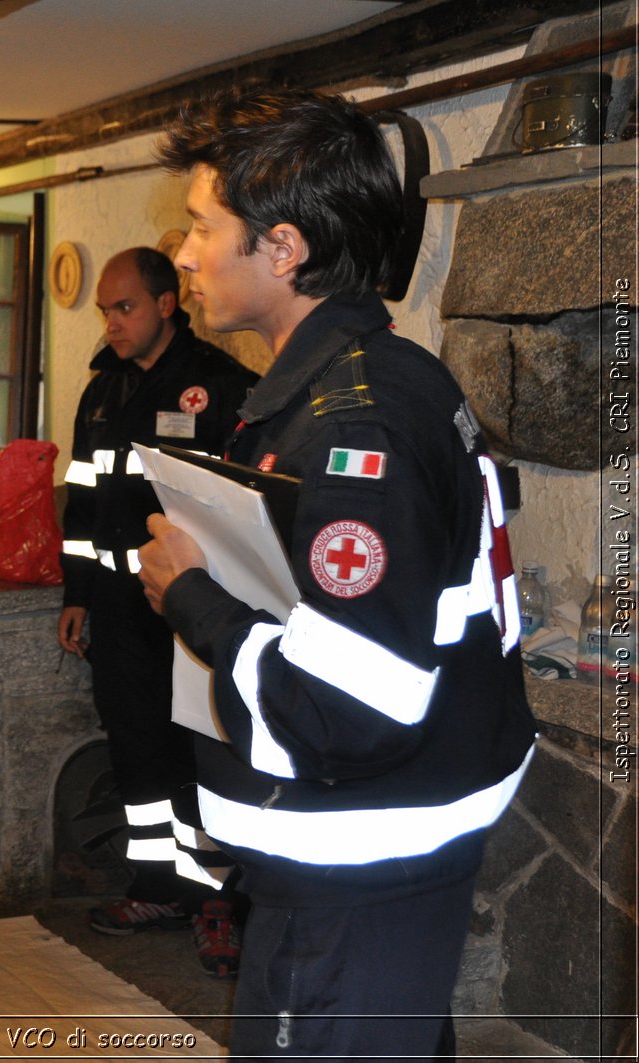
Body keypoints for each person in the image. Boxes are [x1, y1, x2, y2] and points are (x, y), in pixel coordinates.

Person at [140, 86, 537, 1058]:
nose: (184, 257)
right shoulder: (368, 379)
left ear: (282, 250)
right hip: (368, 867)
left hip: (355, 876)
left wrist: (190, 596)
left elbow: (348, 706)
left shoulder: (356, 423)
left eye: (200, 229)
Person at [58, 248, 255, 977]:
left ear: (167, 304)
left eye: (124, 307)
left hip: (191, 607)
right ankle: (158, 889)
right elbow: (80, 502)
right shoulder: (101, 392)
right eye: (105, 310)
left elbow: (241, 510)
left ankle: (217, 904)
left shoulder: (223, 388)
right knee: (136, 750)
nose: (110, 322)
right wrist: (76, 592)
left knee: (199, 752)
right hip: (115, 604)